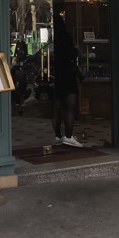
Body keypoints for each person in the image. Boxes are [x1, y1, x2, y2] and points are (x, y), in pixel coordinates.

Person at [51, 10, 84, 148]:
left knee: (57, 107)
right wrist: (76, 50)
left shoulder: (53, 39)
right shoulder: (65, 37)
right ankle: (68, 136)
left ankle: (58, 135)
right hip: (67, 75)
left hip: (56, 75)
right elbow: (71, 54)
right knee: (70, 106)